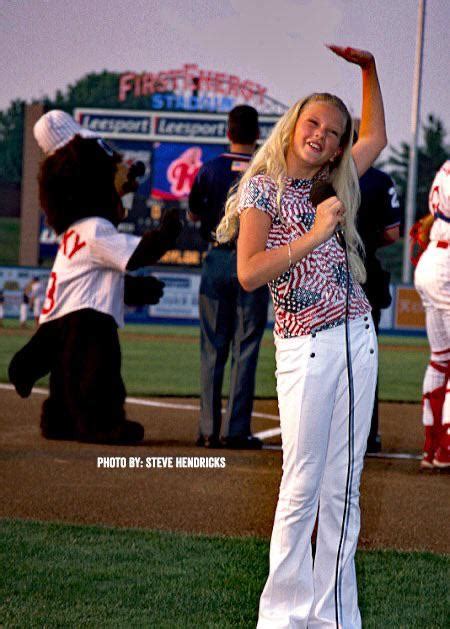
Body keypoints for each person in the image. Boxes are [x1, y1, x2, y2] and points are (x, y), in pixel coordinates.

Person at [216, 45, 386, 627]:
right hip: (307, 349)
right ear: (293, 125)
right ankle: (282, 618)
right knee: (301, 486)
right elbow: (248, 272)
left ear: (339, 145)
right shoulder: (261, 187)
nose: (321, 135)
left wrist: (368, 71)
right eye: (312, 122)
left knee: (345, 488)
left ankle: (335, 616)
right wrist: (316, 234)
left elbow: (378, 139)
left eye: (333, 132)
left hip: (358, 337)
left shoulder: (334, 178)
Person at [188, 105, 269, 449]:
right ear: (257, 135)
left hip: (217, 259)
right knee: (246, 346)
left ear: (228, 132)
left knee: (212, 347)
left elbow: (193, 212)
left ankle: (208, 430)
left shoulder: (208, 169)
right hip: (253, 261)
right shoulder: (267, 171)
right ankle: (236, 431)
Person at [357, 165, 400, 453]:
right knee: (365, 358)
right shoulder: (381, 180)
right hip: (366, 271)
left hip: (325, 272)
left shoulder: (323, 173)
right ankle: (367, 435)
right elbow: (393, 234)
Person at [414, 160, 450, 470]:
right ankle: (445, 448)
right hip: (447, 264)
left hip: (432, 258)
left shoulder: (445, 168)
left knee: (440, 358)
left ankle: (431, 446)